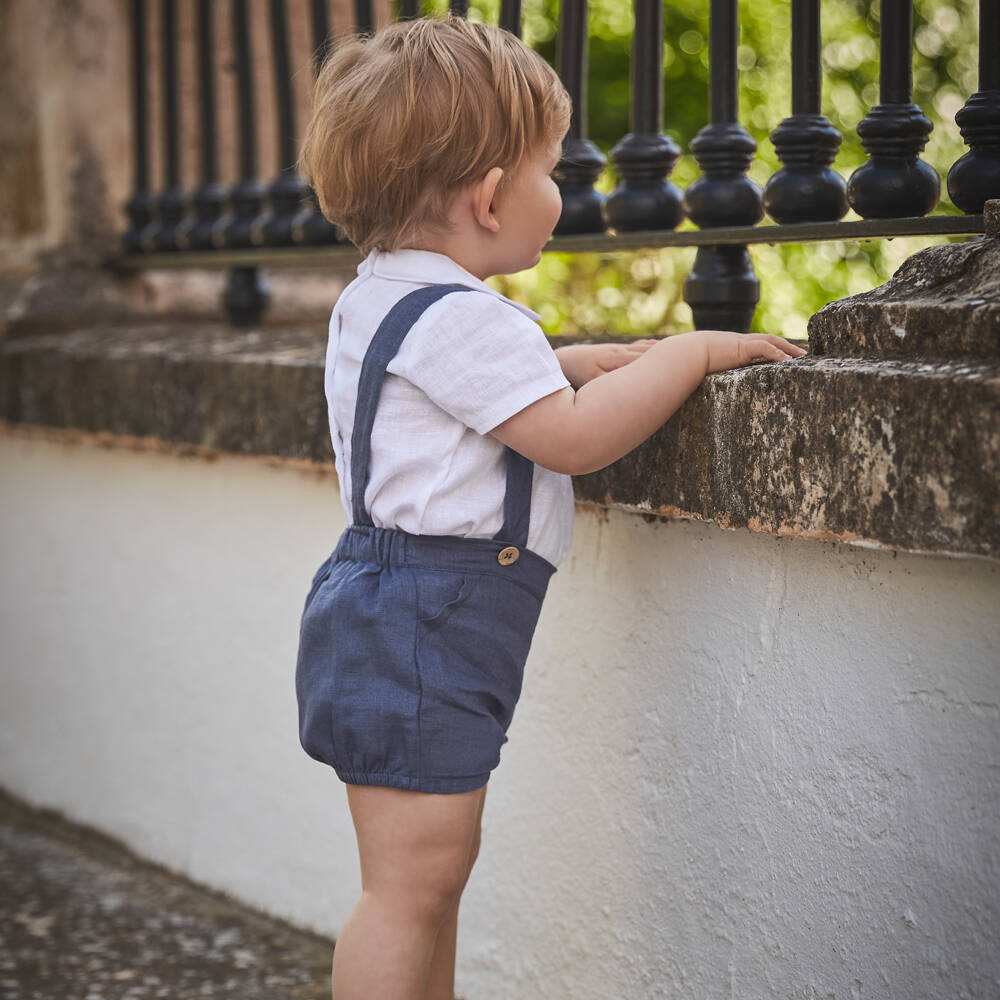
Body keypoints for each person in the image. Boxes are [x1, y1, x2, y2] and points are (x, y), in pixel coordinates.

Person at [294, 16, 806, 1000]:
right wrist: (686, 352)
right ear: (488, 196)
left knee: (425, 884)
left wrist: (565, 363)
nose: (557, 192)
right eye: (549, 170)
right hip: (424, 623)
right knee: (412, 888)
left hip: (401, 615)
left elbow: (452, 406)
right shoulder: (458, 316)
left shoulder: (387, 295)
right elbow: (570, 438)